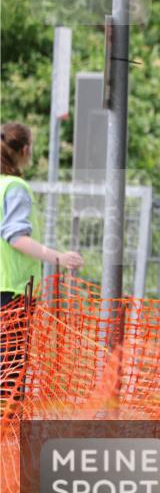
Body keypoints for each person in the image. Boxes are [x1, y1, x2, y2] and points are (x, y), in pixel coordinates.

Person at [1, 122, 84, 402]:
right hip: (10, 292)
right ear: (24, 150)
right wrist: (58, 257)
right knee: (9, 373)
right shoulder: (14, 187)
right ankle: (7, 439)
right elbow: (16, 238)